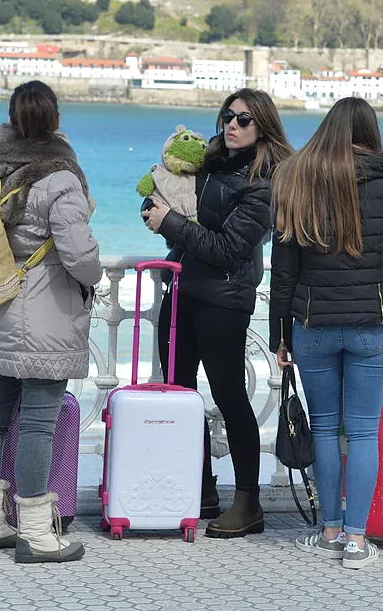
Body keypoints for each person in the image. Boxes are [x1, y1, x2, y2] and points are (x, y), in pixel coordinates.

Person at [269, 97, 383, 569]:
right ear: (370, 132)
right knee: (361, 432)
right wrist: (382, 273)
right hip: (372, 328)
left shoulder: (295, 181)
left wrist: (280, 335)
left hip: (312, 327)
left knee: (324, 428)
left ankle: (330, 532)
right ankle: (357, 541)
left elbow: (283, 273)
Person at [141, 88, 293, 538]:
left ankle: (247, 503)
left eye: (244, 119)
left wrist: (171, 223)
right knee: (180, 394)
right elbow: (180, 208)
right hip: (182, 289)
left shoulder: (264, 183)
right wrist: (156, 209)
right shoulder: (206, 161)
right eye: (228, 115)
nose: (232, 125)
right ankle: (202, 489)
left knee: (229, 397)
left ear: (263, 127)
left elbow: (228, 249)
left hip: (224, 299)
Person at [0, 81, 101, 564]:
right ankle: (37, 535)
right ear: (56, 121)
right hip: (45, 315)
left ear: (11, 118)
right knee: (38, 426)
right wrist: (94, 275)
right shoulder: (60, 178)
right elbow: (80, 255)